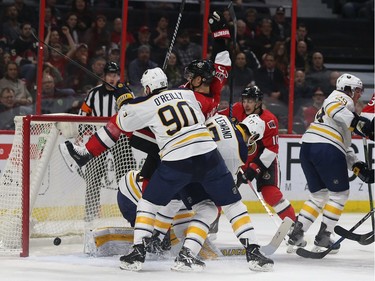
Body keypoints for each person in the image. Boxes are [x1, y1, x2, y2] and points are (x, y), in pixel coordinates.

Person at [115, 67, 273, 272]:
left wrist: (126, 101)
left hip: (175, 159)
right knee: (226, 206)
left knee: (151, 202)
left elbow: (126, 121)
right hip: (207, 159)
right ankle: (251, 251)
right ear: (253, 137)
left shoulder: (220, 116)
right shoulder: (239, 149)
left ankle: (141, 248)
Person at [287, 73, 373, 253]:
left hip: (308, 148)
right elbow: (332, 107)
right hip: (325, 148)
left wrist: (357, 167)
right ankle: (324, 237)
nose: (359, 95)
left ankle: (296, 233)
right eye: (357, 90)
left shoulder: (344, 112)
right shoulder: (341, 97)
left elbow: (344, 145)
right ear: (348, 89)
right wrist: (359, 123)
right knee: (340, 194)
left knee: (318, 195)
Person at [69, 61, 136, 221]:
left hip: (120, 140)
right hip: (98, 138)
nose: (113, 78)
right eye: (110, 74)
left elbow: (133, 112)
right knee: (93, 177)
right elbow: (83, 113)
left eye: (115, 74)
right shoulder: (93, 94)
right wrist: (79, 132)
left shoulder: (125, 92)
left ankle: (131, 211)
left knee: (127, 176)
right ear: (104, 76)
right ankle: (91, 214)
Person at [220, 85, 297, 223]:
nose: (246, 104)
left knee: (270, 194)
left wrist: (253, 169)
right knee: (221, 191)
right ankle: (210, 230)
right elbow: (217, 118)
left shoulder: (269, 120)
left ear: (259, 102)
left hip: (263, 160)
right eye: (244, 100)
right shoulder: (236, 109)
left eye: (250, 101)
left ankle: (294, 226)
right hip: (239, 159)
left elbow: (271, 150)